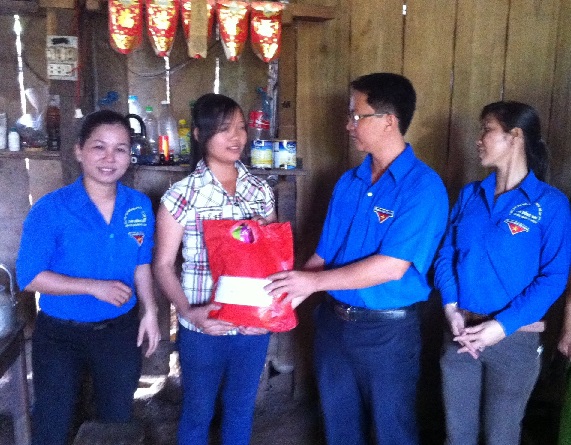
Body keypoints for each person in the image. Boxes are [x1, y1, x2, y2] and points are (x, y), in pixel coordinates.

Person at [265, 72, 449, 445]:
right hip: (333, 325)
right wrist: (282, 299)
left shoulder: (423, 187)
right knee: (339, 427)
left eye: (356, 115)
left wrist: (312, 282)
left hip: (387, 333)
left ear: (388, 121)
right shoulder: (349, 182)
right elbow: (323, 255)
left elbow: (392, 267)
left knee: (392, 431)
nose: (348, 125)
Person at [16, 110, 160, 445]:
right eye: (99, 147)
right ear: (79, 151)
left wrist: (150, 311)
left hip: (119, 331)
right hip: (60, 335)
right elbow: (30, 276)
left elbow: (142, 264)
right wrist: (93, 287)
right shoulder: (51, 209)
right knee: (53, 423)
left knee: (116, 421)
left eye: (120, 149)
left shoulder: (137, 206)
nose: (110, 158)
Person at [434, 101, 571, 445]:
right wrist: (451, 307)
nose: (478, 139)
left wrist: (501, 326)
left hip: (515, 339)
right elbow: (446, 254)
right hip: (461, 332)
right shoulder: (470, 195)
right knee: (457, 436)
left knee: (502, 437)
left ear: (515, 137)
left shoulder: (549, 204)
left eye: (487, 130)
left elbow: (554, 277)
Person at [152, 93, 277, 445]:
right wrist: (189, 311)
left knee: (240, 410)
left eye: (240, 127)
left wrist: (267, 315)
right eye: (224, 129)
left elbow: (272, 260)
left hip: (252, 327)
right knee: (198, 412)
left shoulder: (259, 192)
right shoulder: (181, 196)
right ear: (199, 135)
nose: (236, 137)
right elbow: (163, 265)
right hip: (203, 326)